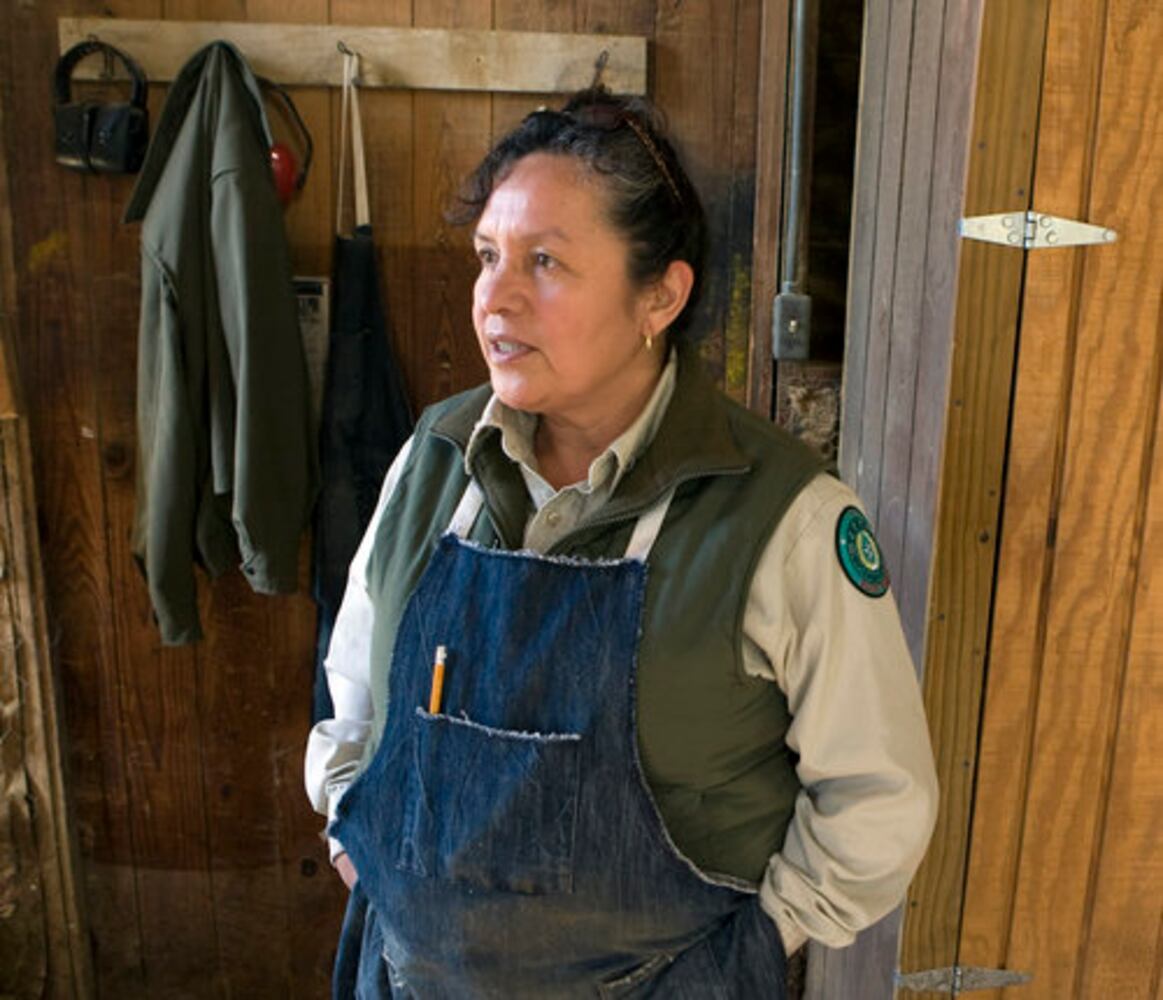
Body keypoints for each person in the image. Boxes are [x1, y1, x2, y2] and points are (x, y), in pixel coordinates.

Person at [305, 86, 938, 998]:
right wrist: (348, 829)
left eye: (546, 262)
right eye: (488, 256)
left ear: (660, 295)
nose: (496, 298)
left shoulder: (785, 519)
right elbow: (356, 685)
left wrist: (761, 942)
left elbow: (878, 800)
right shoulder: (434, 457)